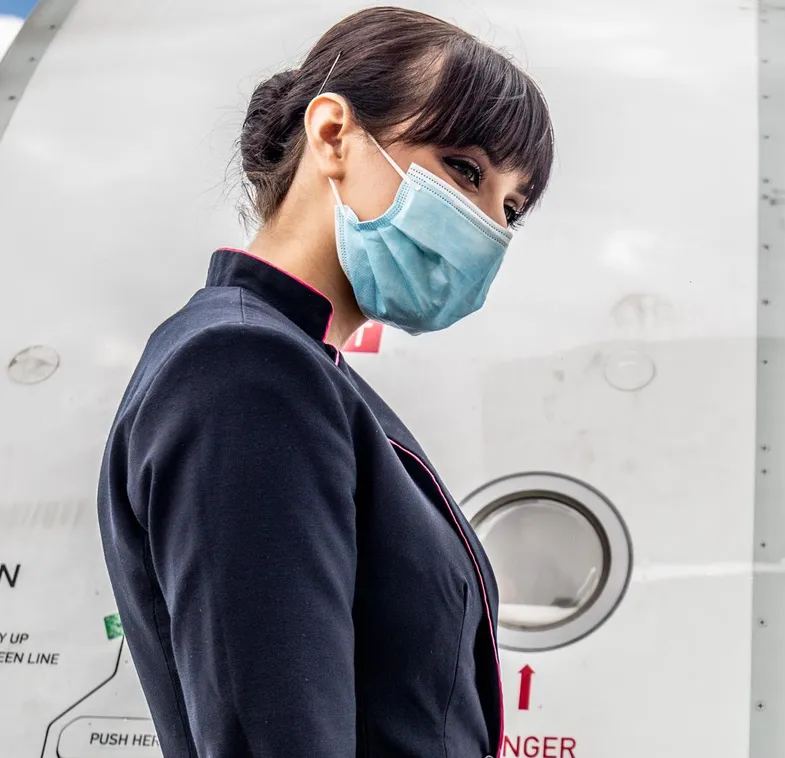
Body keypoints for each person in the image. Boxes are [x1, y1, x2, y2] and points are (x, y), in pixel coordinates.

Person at [95, 7, 554, 757]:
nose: (486, 225)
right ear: (334, 134)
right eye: (464, 170)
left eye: (510, 208)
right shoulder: (245, 369)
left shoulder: (306, 371)